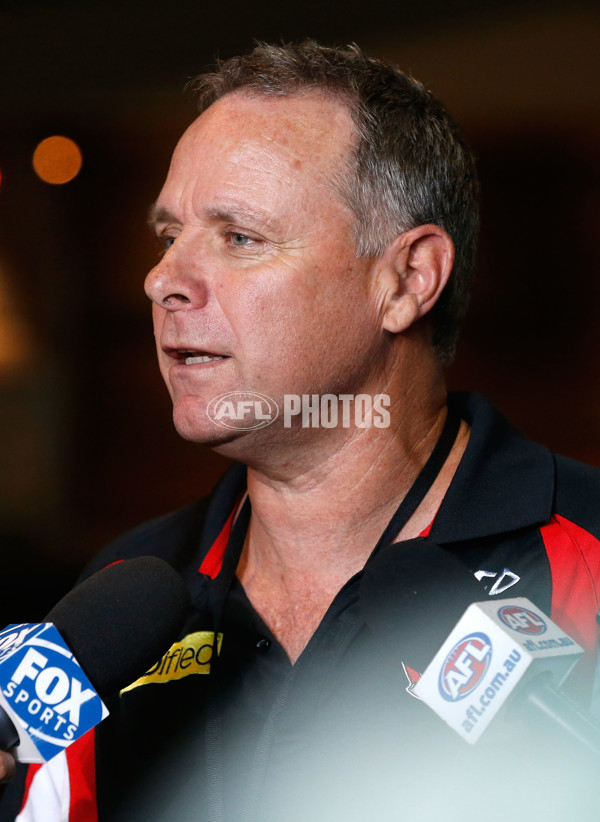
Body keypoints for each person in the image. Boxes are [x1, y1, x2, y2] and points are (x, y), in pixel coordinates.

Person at [2, 40, 600, 822]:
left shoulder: (584, 554)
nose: (161, 280)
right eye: (167, 236)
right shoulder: (117, 601)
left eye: (239, 237)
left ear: (407, 280)